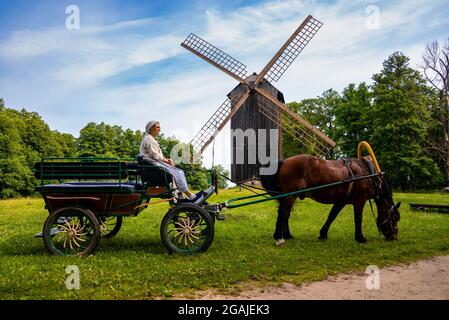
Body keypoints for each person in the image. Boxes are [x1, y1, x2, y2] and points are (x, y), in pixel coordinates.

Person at [138, 120, 203, 202]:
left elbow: (157, 156)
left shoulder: (150, 139)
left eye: (159, 127)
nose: (159, 129)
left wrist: (167, 161)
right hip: (152, 165)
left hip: (153, 164)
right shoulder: (149, 139)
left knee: (177, 172)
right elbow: (155, 155)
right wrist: (167, 161)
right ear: (150, 128)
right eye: (157, 127)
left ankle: (180, 196)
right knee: (178, 172)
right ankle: (190, 195)